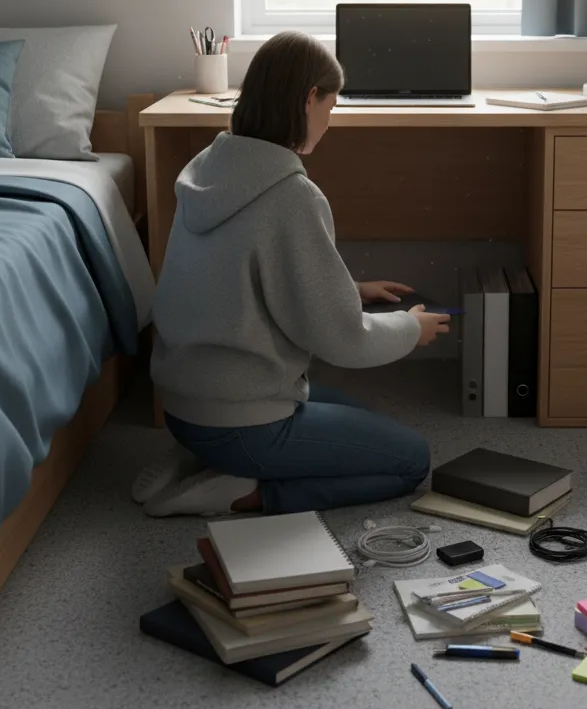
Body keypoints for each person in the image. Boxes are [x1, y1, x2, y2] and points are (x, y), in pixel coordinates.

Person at [134, 31, 450, 517]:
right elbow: (342, 339)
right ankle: (242, 492)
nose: (329, 121)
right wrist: (411, 328)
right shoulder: (291, 195)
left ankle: (192, 452)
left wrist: (351, 288)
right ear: (310, 98)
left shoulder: (208, 170)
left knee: (360, 420)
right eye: (332, 106)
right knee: (409, 459)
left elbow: (243, 279)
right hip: (242, 421)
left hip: (182, 403)